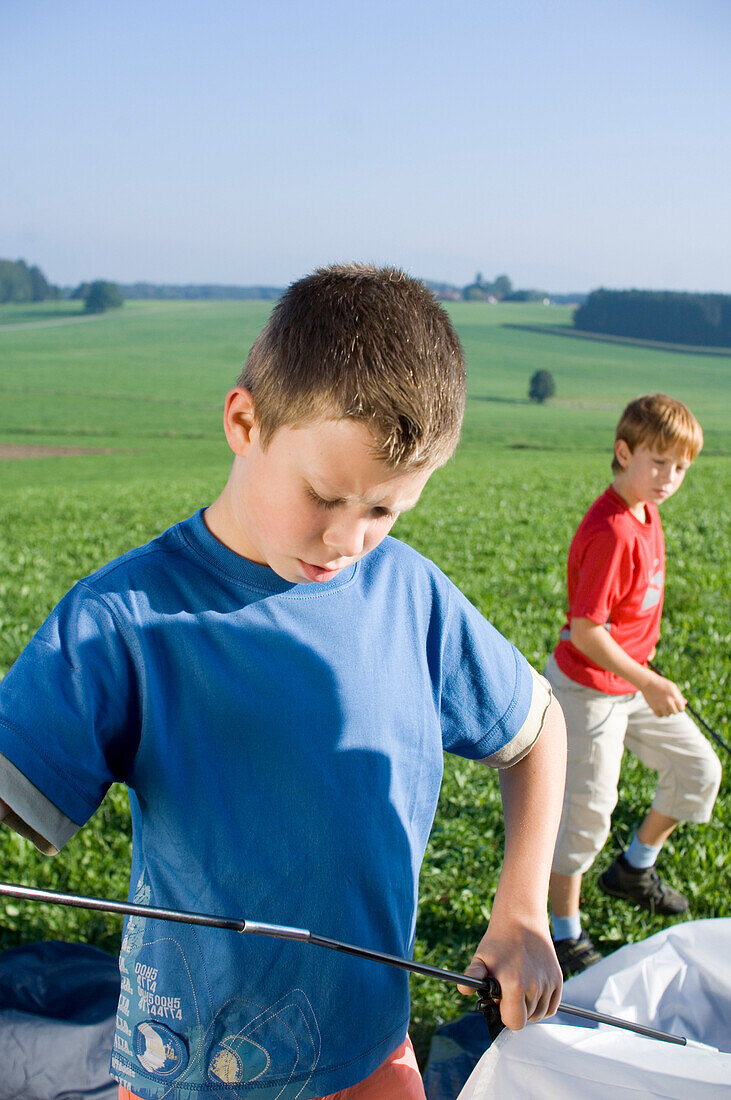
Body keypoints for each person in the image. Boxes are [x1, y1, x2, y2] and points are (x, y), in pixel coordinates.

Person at [0, 264, 565, 1100]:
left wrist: (520, 910)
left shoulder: (410, 598)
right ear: (243, 420)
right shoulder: (123, 619)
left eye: (383, 511)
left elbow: (538, 729)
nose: (346, 538)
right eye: (323, 495)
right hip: (186, 1072)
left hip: (372, 1051)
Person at [546, 393, 722, 978]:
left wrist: (642, 681)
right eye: (658, 462)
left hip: (629, 686)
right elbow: (587, 631)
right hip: (590, 691)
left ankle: (633, 869)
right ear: (624, 453)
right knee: (586, 817)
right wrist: (647, 679)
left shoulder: (649, 513)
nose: (670, 478)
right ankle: (562, 932)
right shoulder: (614, 531)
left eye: (680, 467)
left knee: (699, 771)